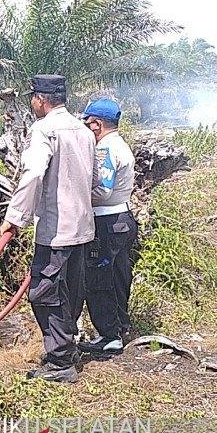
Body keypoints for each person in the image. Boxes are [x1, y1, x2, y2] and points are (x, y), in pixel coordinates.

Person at [0, 74, 96, 383]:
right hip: (82, 227)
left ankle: (59, 362)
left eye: (33, 98)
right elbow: (92, 179)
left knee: (44, 293)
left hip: (57, 231)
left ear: (40, 99)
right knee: (70, 292)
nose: (32, 103)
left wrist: (16, 217)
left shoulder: (44, 129)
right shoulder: (83, 130)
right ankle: (68, 350)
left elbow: (32, 174)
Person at [79, 99, 138, 355]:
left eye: (86, 122)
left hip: (105, 222)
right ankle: (120, 327)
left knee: (98, 278)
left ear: (97, 124)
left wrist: (76, 198)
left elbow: (102, 189)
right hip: (122, 219)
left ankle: (109, 335)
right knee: (118, 277)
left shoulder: (104, 150)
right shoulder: (120, 144)